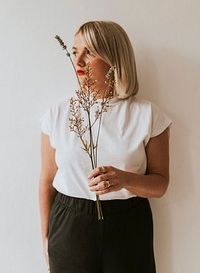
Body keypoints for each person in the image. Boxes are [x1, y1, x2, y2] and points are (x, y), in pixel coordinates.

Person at [39, 20, 172, 273]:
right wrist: (46, 236)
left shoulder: (148, 115)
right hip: (69, 224)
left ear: (114, 57)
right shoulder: (57, 114)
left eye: (89, 52)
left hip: (128, 224)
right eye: (75, 51)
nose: (77, 62)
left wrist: (125, 180)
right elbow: (47, 181)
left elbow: (160, 184)